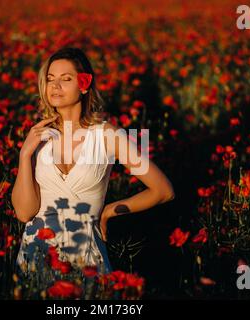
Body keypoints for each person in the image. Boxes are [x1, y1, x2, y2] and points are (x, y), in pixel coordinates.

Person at [11, 47, 175, 278]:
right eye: (50, 79)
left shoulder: (108, 136)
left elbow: (163, 191)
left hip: (86, 258)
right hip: (36, 256)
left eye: (66, 79)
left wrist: (109, 211)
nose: (55, 85)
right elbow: (24, 212)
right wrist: (24, 155)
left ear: (84, 84)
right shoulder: (37, 138)